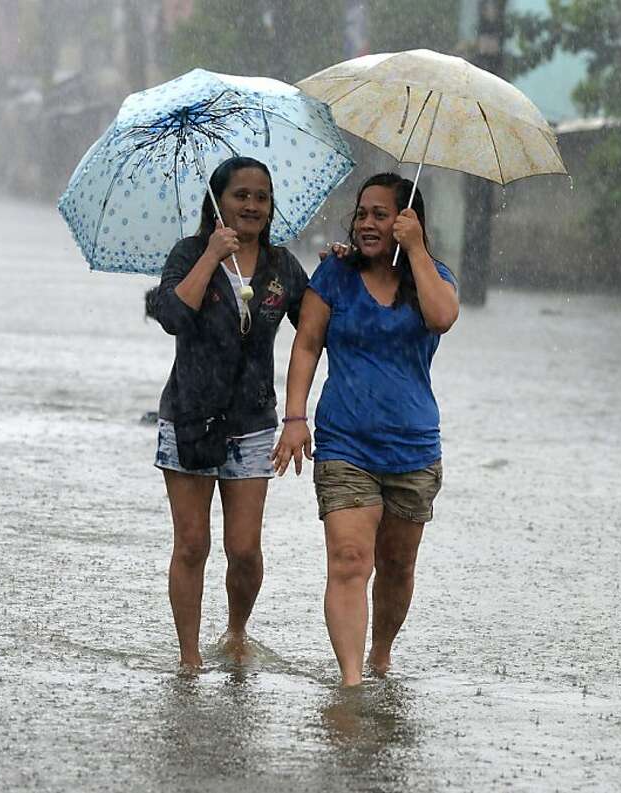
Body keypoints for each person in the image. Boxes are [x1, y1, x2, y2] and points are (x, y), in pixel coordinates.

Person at [271, 172, 459, 686]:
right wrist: (294, 418)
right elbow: (307, 344)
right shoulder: (333, 275)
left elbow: (442, 318)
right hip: (345, 443)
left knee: (396, 566)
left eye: (382, 214)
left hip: (413, 449)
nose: (368, 223)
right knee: (351, 559)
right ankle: (351, 682)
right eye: (362, 214)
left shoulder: (433, 278)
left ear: (407, 219)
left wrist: (416, 250)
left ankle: (380, 653)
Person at [145, 156, 309, 672]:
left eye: (261, 196)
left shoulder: (282, 267)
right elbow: (172, 315)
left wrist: (347, 265)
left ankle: (237, 632)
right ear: (218, 201)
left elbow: (317, 328)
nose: (252, 205)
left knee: (244, 551)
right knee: (192, 544)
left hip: (254, 423)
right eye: (241, 195)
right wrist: (212, 255)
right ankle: (189, 658)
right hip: (190, 418)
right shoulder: (189, 253)